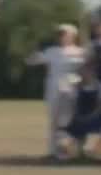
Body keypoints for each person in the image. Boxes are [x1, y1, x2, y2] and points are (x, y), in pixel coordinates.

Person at [26, 24, 86, 158]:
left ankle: (72, 151)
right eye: (61, 35)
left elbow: (86, 69)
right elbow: (30, 61)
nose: (63, 37)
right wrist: (36, 51)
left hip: (71, 87)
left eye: (66, 34)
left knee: (68, 120)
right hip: (53, 87)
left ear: (73, 36)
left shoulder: (80, 52)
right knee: (53, 120)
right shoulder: (52, 51)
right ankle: (53, 151)